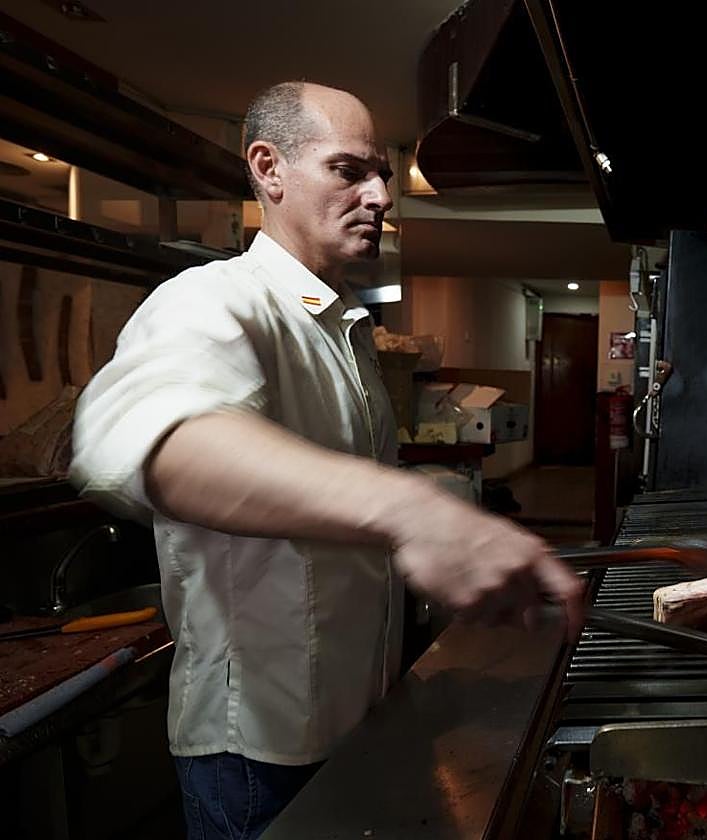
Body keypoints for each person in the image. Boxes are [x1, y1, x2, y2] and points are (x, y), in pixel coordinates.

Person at [70, 81, 584, 839]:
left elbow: (335, 514)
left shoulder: (343, 330)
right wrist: (414, 512)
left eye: (380, 173)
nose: (380, 194)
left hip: (364, 715)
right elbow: (160, 439)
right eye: (349, 170)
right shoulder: (213, 300)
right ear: (269, 169)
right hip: (260, 753)